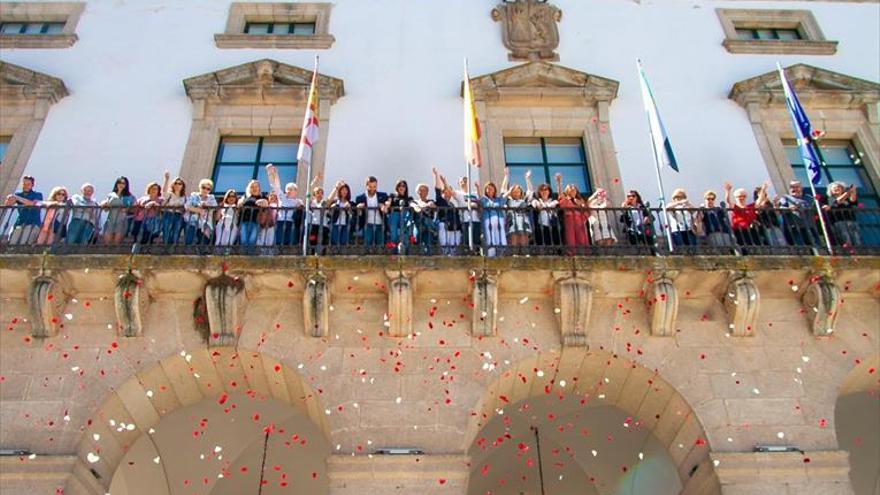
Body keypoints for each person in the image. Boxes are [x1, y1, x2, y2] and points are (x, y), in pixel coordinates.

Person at [266, 164, 303, 249]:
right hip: (281, 221)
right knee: (279, 240)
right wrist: (272, 173)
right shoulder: (282, 197)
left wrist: (300, 206)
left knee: (289, 241)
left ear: (295, 191)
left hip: (291, 222)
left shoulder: (298, 201)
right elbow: (275, 185)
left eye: (291, 189)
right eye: (287, 189)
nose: (289, 191)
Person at [725, 181, 768, 249]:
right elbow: (728, 201)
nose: (742, 198)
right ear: (736, 197)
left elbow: (760, 200)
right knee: (745, 249)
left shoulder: (751, 206)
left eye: (744, 196)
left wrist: (763, 189)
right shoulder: (736, 207)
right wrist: (728, 191)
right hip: (740, 232)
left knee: (757, 247)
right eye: (739, 196)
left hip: (752, 231)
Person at [778, 180, 819, 247]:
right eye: (792, 187)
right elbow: (781, 209)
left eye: (796, 187)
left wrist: (823, 206)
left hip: (810, 227)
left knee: (816, 247)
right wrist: (789, 209)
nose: (794, 189)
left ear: (801, 188)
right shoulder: (786, 198)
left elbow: (817, 207)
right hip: (795, 228)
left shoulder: (809, 197)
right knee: (802, 248)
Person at [4, 175, 44, 245]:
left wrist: (17, 197)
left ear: (32, 185)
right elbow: (8, 204)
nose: (25, 186)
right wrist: (9, 198)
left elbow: (32, 203)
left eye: (28, 184)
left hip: (32, 224)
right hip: (19, 223)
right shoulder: (18, 194)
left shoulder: (37, 194)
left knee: (23, 243)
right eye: (24, 184)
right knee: (12, 243)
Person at [555, 173, 589, 254]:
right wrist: (559, 183)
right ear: (567, 190)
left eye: (574, 188)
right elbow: (560, 196)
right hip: (569, 220)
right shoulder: (566, 199)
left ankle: (584, 255)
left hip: (580, 221)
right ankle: (571, 255)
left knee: (582, 239)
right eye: (571, 188)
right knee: (570, 239)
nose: (573, 189)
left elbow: (587, 213)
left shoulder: (580, 200)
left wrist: (582, 205)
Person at [822, 181, 861, 247]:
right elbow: (838, 201)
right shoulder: (829, 198)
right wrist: (848, 192)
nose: (836, 188)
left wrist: (853, 191)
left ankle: (859, 253)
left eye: (838, 187)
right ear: (830, 190)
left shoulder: (847, 198)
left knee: (856, 240)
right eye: (834, 187)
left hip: (851, 221)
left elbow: (853, 200)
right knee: (846, 239)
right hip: (838, 222)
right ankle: (849, 253)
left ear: (842, 189)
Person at [433, 168, 462, 255]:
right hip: (444, 225)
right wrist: (436, 175)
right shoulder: (440, 200)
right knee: (444, 245)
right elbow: (437, 189)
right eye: (445, 192)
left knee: (454, 246)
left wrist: (445, 182)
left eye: (448, 192)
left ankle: (452, 259)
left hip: (455, 226)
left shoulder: (453, 203)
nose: (447, 194)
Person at [475, 178, 506, 256]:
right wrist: (478, 188)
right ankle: (491, 255)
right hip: (488, 220)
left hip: (499, 221)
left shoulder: (498, 200)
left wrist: (506, 177)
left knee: (500, 237)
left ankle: (500, 255)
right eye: (487, 189)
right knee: (489, 237)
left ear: (494, 190)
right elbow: (479, 197)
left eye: (491, 189)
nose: (489, 190)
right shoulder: (484, 200)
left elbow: (504, 191)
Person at [503, 169, 533, 250]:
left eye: (518, 192)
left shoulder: (524, 200)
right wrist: (506, 177)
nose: (516, 193)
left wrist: (527, 179)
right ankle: (515, 254)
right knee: (514, 237)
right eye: (514, 192)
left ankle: (525, 253)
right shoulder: (509, 201)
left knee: (524, 237)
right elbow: (503, 193)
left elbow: (530, 192)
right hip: (512, 221)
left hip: (523, 221)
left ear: (521, 193)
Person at [355, 176, 388, 250]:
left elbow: (388, 206)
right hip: (367, 225)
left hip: (380, 224)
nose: (373, 189)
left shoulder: (383, 196)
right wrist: (359, 208)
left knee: (380, 246)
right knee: (367, 246)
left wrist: (385, 205)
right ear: (366, 185)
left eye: (374, 186)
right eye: (370, 186)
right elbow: (359, 214)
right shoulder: (360, 198)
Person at [101, 176, 135, 245]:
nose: (121, 184)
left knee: (116, 243)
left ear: (126, 185)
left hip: (122, 221)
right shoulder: (111, 195)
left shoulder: (130, 196)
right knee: (107, 243)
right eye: (119, 182)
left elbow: (134, 209)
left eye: (123, 183)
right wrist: (104, 204)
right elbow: (106, 209)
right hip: (111, 220)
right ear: (116, 184)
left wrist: (127, 209)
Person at [184, 179, 217, 246]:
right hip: (192, 221)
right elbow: (187, 206)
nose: (205, 190)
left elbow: (214, 208)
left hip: (205, 223)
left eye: (208, 189)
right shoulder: (194, 196)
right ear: (200, 187)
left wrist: (206, 205)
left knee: (203, 242)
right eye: (203, 187)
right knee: (189, 240)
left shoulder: (211, 198)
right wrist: (199, 210)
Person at [453, 175, 481, 252]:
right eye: (461, 181)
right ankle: (468, 253)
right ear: (459, 184)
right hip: (466, 220)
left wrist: (478, 188)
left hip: (476, 220)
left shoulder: (474, 193)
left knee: (477, 239)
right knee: (467, 239)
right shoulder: (458, 193)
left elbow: (480, 200)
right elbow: (449, 192)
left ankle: (476, 254)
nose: (464, 182)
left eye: (465, 181)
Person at [238, 180, 268, 248]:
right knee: (243, 241)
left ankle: (249, 257)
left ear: (259, 188)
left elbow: (266, 205)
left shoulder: (263, 197)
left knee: (252, 240)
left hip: (256, 222)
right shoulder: (245, 197)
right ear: (249, 188)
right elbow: (239, 206)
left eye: (256, 187)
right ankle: (244, 257)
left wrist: (263, 202)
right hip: (244, 221)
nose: (254, 188)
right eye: (252, 187)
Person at [385, 180, 413, 253]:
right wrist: (387, 204)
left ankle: (405, 251)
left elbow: (412, 204)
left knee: (404, 235)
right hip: (394, 216)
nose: (401, 187)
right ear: (397, 187)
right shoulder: (392, 196)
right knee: (394, 235)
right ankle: (394, 252)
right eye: (399, 185)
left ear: (406, 188)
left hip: (404, 217)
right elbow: (388, 202)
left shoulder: (409, 198)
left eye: (403, 186)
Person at [531, 182, 560, 250]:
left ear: (549, 191)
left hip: (553, 225)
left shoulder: (554, 201)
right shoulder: (536, 201)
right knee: (542, 243)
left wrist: (542, 204)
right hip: (541, 225)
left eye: (546, 189)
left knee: (554, 243)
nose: (544, 192)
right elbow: (536, 205)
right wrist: (537, 202)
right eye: (542, 190)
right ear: (539, 192)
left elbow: (549, 206)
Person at [161, 172, 187, 245]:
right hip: (168, 214)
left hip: (178, 216)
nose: (177, 185)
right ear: (173, 184)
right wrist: (166, 179)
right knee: (166, 232)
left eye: (180, 183)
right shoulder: (169, 194)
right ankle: (166, 247)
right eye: (175, 183)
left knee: (176, 232)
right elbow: (164, 192)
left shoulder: (184, 197)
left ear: (182, 186)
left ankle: (173, 247)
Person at [307, 173, 331, 252]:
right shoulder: (312, 202)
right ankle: (311, 255)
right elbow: (309, 191)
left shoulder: (324, 202)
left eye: (321, 193)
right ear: (314, 195)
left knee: (323, 242)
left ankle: (322, 256)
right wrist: (315, 180)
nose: (320, 195)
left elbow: (330, 198)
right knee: (312, 241)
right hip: (314, 225)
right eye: (318, 193)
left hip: (324, 226)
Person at [411, 182, 437, 254]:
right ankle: (432, 230)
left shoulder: (430, 201)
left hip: (427, 226)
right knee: (418, 240)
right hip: (419, 225)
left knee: (428, 242)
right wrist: (424, 206)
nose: (421, 192)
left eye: (424, 190)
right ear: (417, 192)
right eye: (420, 190)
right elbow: (416, 208)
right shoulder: (414, 201)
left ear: (427, 192)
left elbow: (433, 206)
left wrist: (428, 205)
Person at [328, 180, 354, 248]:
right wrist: (333, 207)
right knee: (335, 242)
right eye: (343, 190)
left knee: (343, 242)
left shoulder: (350, 203)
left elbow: (352, 215)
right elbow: (327, 204)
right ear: (339, 191)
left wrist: (349, 208)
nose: (344, 191)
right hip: (335, 224)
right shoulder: (335, 201)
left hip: (345, 225)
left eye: (346, 190)